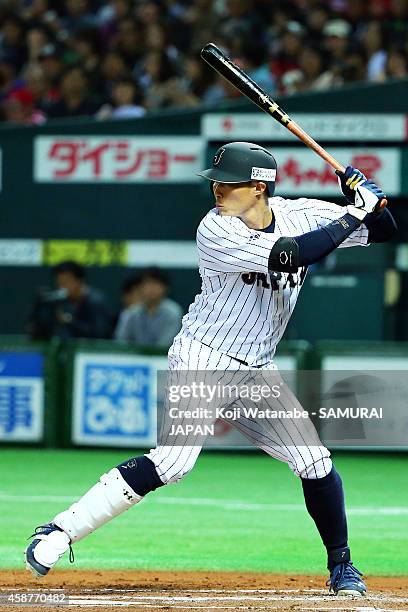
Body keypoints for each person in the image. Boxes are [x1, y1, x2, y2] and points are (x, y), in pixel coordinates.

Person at [25, 142, 397, 596]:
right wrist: (354, 213)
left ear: (258, 187)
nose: (217, 189)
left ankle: (343, 567)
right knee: (174, 460)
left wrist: (370, 202)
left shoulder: (299, 211)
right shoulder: (216, 228)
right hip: (204, 357)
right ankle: (58, 531)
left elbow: (384, 230)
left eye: (228, 182)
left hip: (256, 369)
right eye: (216, 181)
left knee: (315, 461)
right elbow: (291, 255)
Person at [28, 260, 111, 340]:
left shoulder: (95, 301)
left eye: (65, 282)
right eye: (59, 283)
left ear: (81, 281)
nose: (62, 288)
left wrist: (70, 322)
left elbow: (100, 334)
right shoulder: (59, 302)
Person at [114, 267, 183, 349]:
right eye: (147, 283)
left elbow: (165, 346)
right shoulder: (131, 312)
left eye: (156, 284)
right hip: (133, 357)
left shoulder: (173, 313)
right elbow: (120, 342)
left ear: (165, 288)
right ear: (140, 287)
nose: (151, 288)